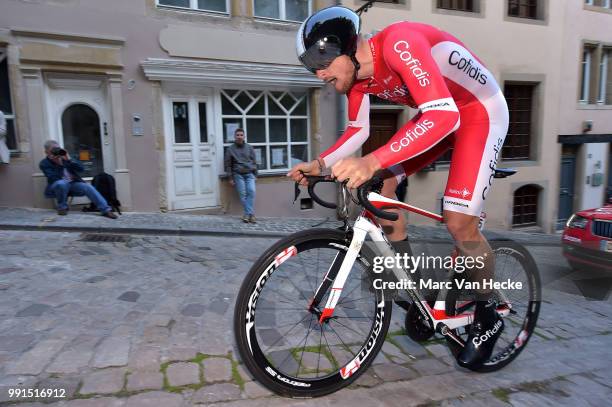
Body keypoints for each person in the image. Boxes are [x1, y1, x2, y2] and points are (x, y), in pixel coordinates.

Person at [288, 6, 509, 369]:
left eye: (322, 60)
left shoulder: (399, 42)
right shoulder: (358, 80)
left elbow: (444, 115)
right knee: (379, 186)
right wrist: (319, 165)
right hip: (440, 113)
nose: (319, 72)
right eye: (312, 66)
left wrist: (370, 161)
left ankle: (489, 315)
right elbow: (357, 131)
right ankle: (416, 289)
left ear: (346, 47)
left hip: (478, 112)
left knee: (458, 223)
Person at [39, 140, 117, 219]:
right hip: (57, 186)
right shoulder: (44, 163)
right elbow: (53, 178)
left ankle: (106, 210)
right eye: (54, 149)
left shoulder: (65, 158)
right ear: (47, 151)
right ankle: (62, 208)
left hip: (72, 184)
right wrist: (58, 164)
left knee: (88, 187)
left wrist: (69, 160)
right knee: (61, 183)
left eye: (58, 148)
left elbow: (81, 169)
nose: (56, 151)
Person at [224, 128, 258, 223]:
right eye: (237, 135)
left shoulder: (249, 148)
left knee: (251, 191)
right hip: (238, 174)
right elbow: (228, 165)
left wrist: (256, 174)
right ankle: (251, 215)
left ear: (244, 136)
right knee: (243, 194)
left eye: (241, 135)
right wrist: (230, 178)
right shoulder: (230, 149)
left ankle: (247, 214)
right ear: (235, 136)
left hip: (249, 173)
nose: (239, 137)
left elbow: (254, 162)